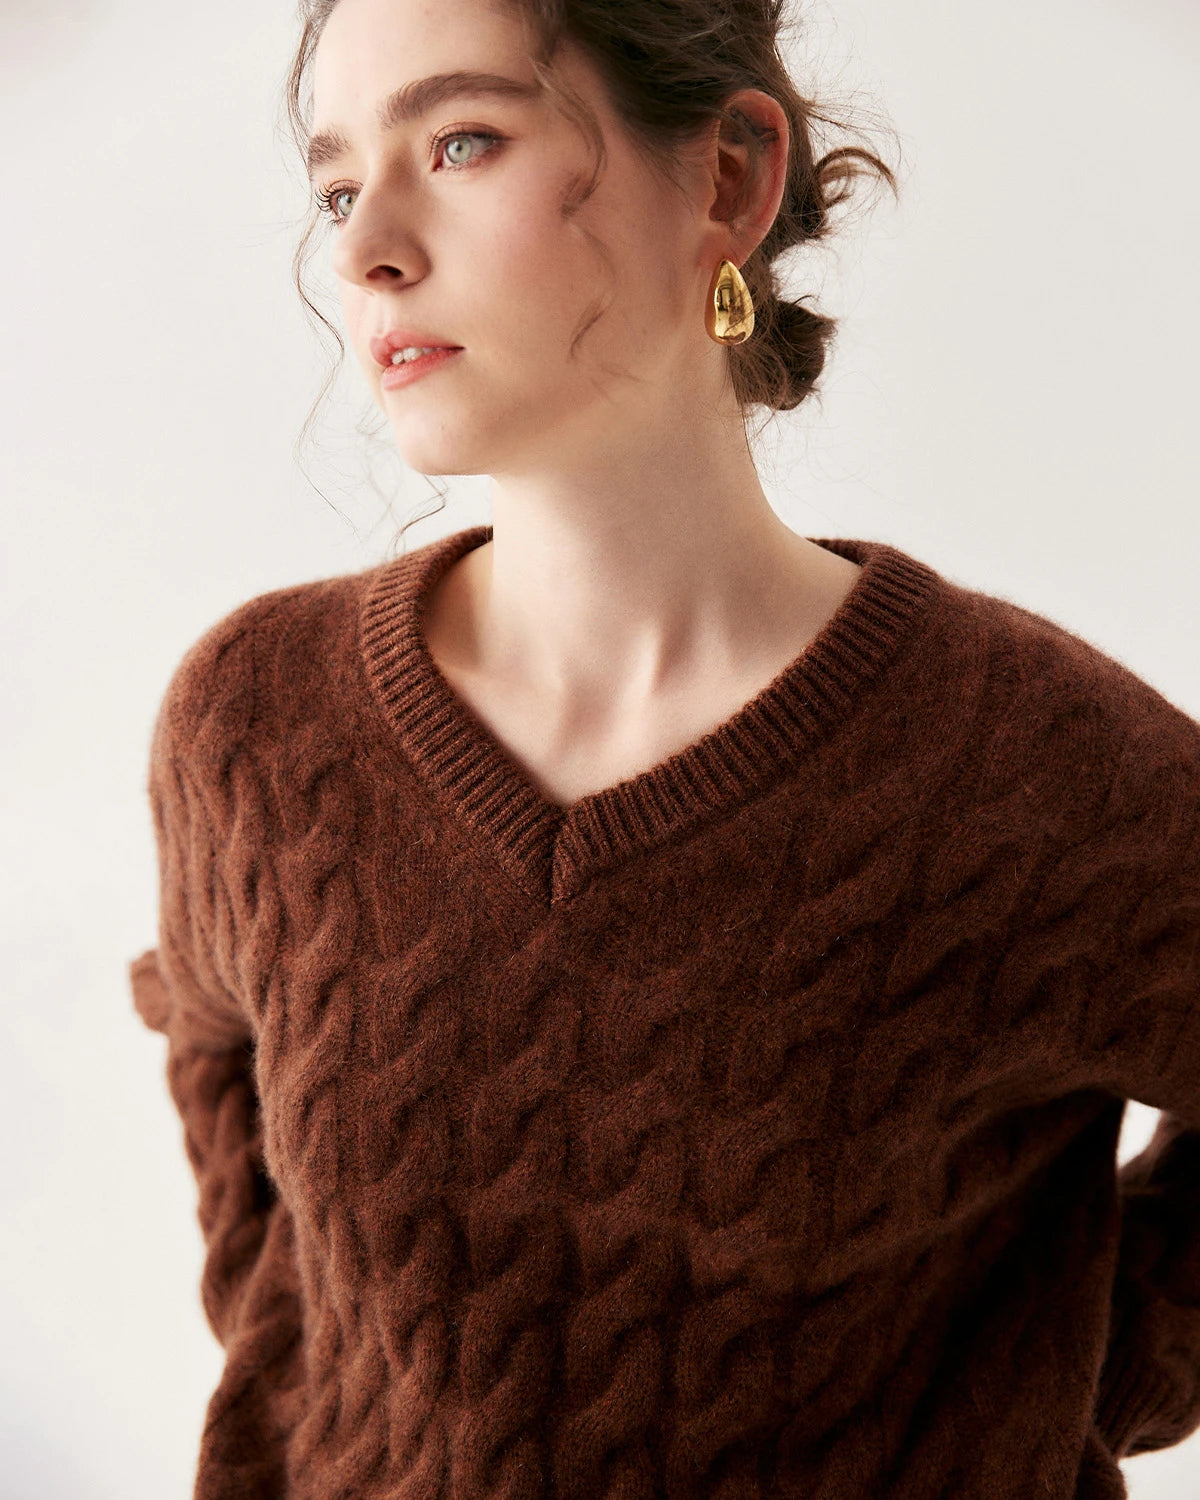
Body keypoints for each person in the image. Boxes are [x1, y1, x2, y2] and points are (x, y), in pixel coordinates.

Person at [128, 0, 1200, 1495]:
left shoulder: (1028, 774)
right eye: (334, 185)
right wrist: (298, 1351)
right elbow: (209, 1031)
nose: (364, 246)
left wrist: (1056, 1379)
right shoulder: (256, 718)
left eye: (462, 142)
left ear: (727, 178)